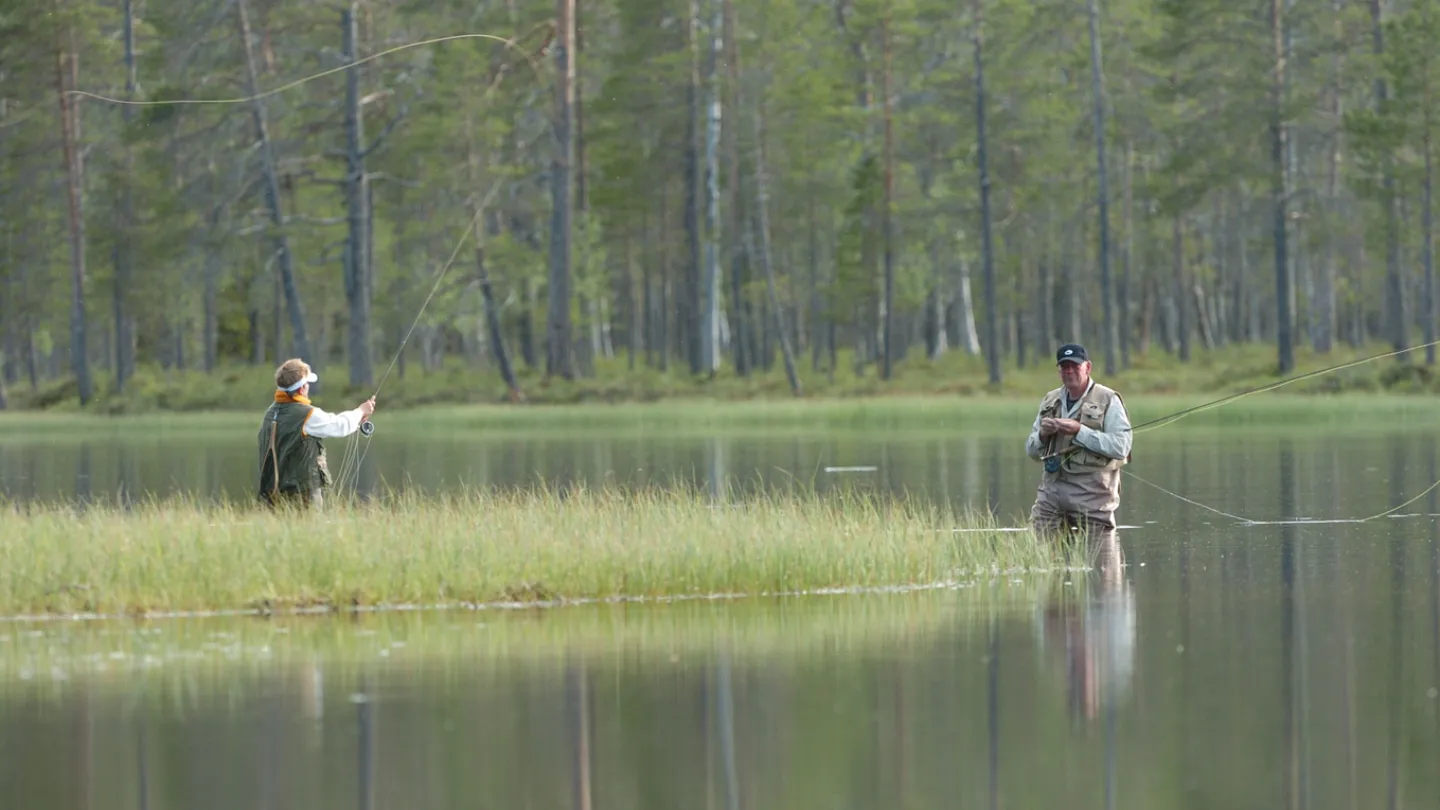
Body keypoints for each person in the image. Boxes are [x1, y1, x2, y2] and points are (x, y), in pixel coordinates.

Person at [1024, 343, 1132, 534]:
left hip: (1093, 499)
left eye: (1075, 366)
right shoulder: (1050, 400)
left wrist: (1079, 431)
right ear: (1059, 371)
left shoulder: (1108, 399)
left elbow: (1121, 447)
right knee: (1037, 557)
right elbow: (1031, 451)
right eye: (1065, 367)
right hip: (1050, 496)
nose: (1070, 371)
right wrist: (1043, 434)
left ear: (1087, 367)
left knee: (1102, 563)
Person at [258, 358, 376, 510]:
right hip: (303, 496)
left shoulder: (270, 412)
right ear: (302, 389)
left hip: (271, 494)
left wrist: (358, 417)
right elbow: (339, 425)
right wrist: (361, 411)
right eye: (307, 385)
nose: (308, 388)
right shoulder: (306, 415)